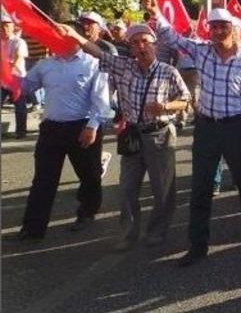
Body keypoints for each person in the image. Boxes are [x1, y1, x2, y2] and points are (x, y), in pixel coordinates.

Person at [143, 0, 241, 267]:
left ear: (234, 29)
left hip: (236, 127)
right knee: (200, 187)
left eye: (223, 26)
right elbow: (172, 38)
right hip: (207, 127)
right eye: (213, 27)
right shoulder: (201, 50)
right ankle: (198, 244)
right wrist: (156, 11)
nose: (217, 32)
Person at [58, 23, 190, 251]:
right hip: (133, 136)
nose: (141, 47)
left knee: (163, 189)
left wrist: (166, 106)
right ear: (130, 47)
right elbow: (96, 51)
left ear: (155, 46)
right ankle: (128, 234)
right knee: (127, 188)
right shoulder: (123, 66)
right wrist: (74, 35)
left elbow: (186, 100)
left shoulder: (169, 72)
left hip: (160, 134)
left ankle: (158, 231)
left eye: (145, 42)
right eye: (135, 43)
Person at [15, 37, 112, 239]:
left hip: (82, 127)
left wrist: (92, 126)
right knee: (43, 179)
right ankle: (33, 229)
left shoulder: (93, 63)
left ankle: (87, 213)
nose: (57, 41)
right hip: (51, 128)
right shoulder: (45, 64)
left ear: (75, 40)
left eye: (63, 36)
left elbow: (101, 100)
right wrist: (9, 76)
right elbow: (24, 87)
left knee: (89, 175)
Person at [1, 13, 29, 138]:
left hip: (17, 79)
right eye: (1, 26)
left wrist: (8, 65)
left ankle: (21, 131)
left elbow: (19, 57)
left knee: (20, 106)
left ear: (13, 26)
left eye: (7, 25)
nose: (4, 28)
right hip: (2, 80)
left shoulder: (19, 42)